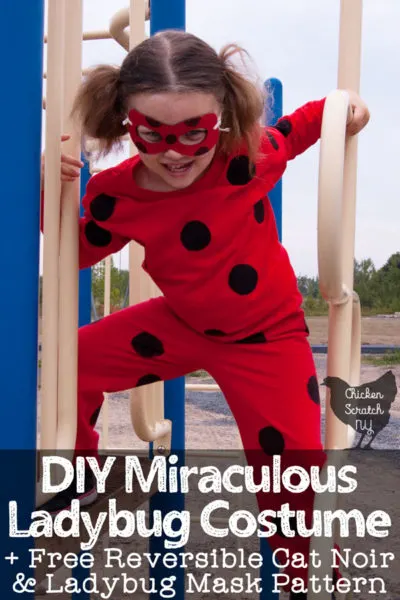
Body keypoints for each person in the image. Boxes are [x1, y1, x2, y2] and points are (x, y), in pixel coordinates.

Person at [40, 30, 369, 598]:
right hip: (182, 325)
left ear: (223, 117)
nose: (176, 152)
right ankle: (84, 479)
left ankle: (314, 585)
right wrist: (54, 193)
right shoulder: (119, 194)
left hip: (268, 338)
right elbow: (79, 251)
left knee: (293, 479)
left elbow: (306, 124)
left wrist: (347, 110)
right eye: (154, 134)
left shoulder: (249, 155)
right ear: (124, 120)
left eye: (196, 131)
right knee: (73, 361)